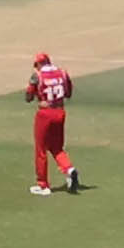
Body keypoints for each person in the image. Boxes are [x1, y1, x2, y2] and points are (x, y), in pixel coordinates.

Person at [24, 52, 85, 194]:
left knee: (41, 149)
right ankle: (69, 169)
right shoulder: (62, 73)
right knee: (57, 147)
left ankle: (43, 185)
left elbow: (28, 97)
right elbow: (68, 93)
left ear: (39, 64)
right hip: (60, 112)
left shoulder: (37, 76)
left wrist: (37, 93)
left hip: (45, 114)